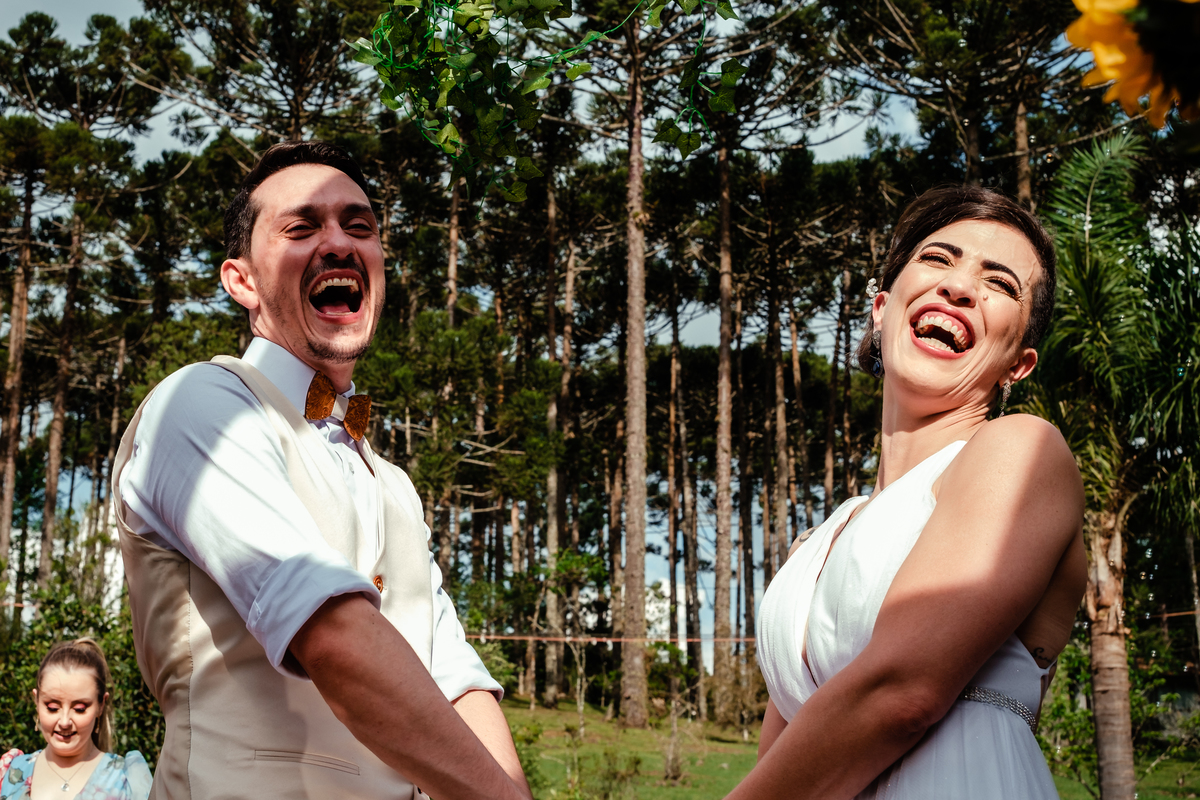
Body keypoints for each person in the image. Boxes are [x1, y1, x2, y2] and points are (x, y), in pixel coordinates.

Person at [111, 141, 531, 800]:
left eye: (358, 227)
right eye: (302, 228)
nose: (339, 243)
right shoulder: (201, 404)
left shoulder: (392, 482)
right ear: (242, 280)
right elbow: (332, 633)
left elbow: (456, 678)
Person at [734, 186, 1086, 800]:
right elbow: (786, 758)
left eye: (1000, 284)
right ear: (881, 308)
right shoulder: (814, 546)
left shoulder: (1023, 450)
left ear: (1018, 365)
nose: (959, 287)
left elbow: (903, 693)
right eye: (937, 259)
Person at [0, 639, 152, 800]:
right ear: (36, 701)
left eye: (79, 709)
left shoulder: (128, 777)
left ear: (101, 704)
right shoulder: (10, 771)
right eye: (52, 707)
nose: (64, 722)